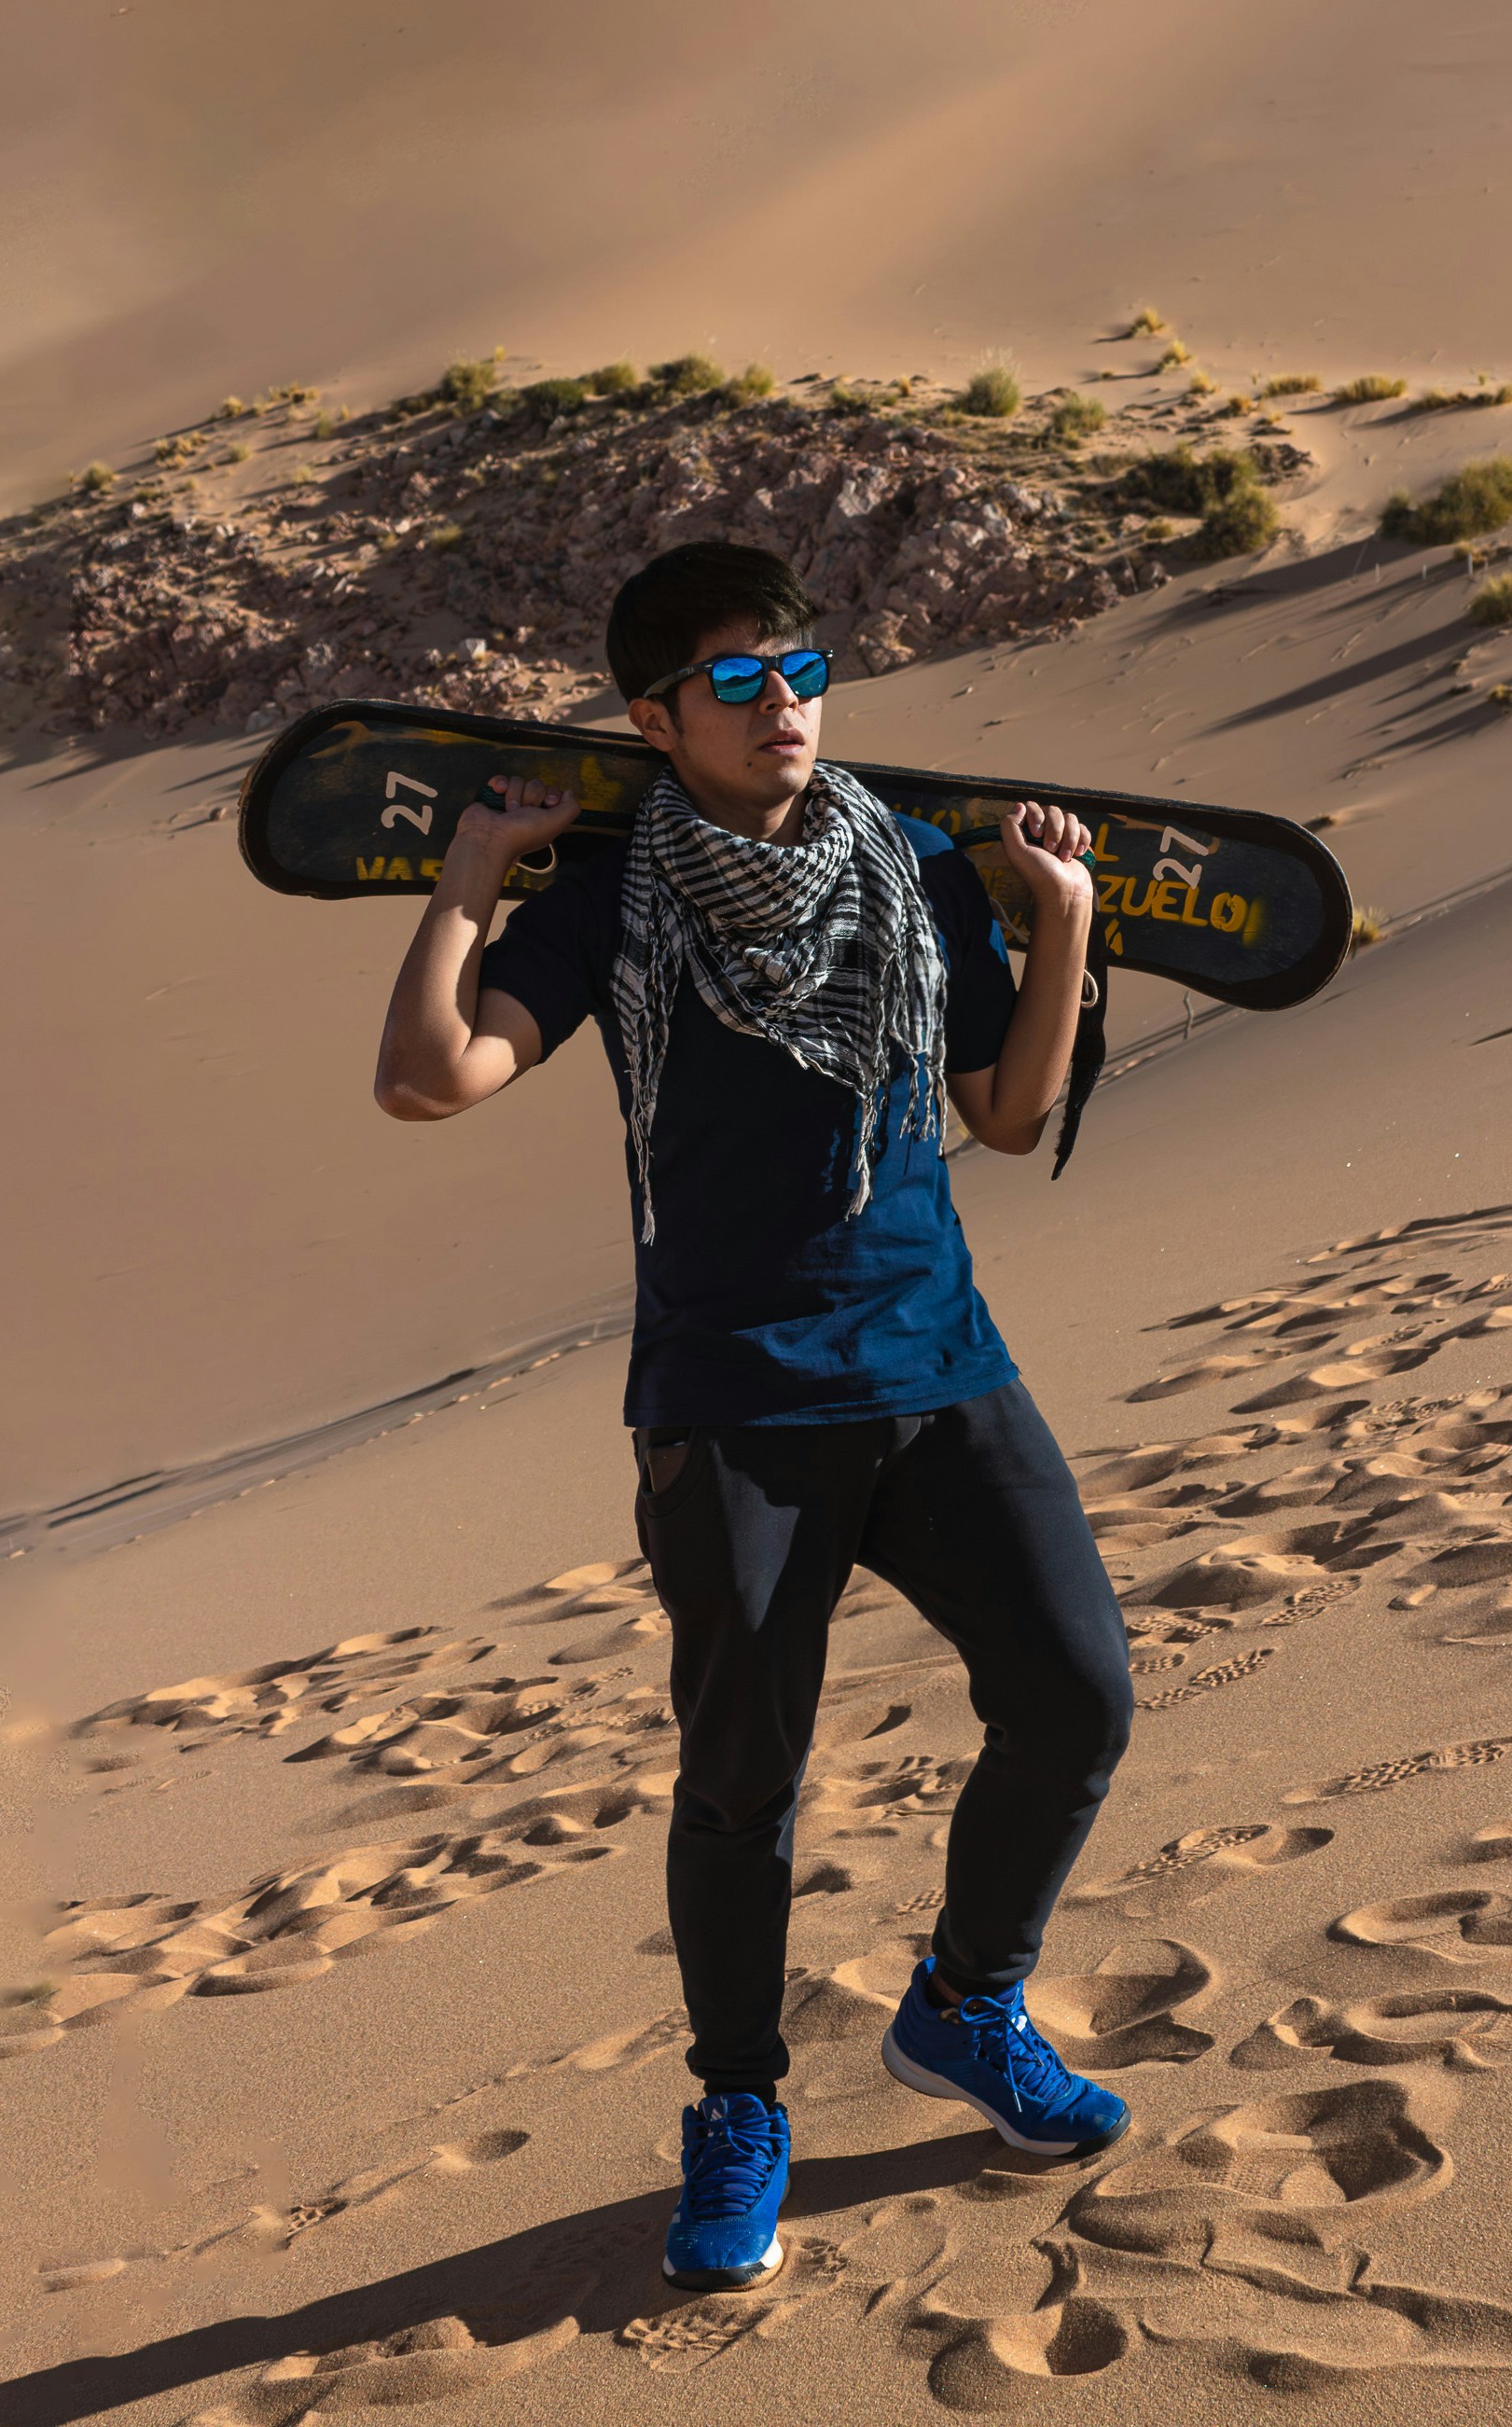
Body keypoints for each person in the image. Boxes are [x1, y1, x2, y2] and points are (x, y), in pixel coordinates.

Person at [373, 540, 1134, 2295]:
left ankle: (964, 2007)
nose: (783, 701)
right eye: (735, 679)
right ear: (656, 718)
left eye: (800, 666)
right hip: (732, 1402)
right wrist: (471, 883)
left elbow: (1007, 1121)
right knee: (746, 1786)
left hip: (939, 1366)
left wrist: (1064, 921)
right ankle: (737, 2109)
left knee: (1076, 1693)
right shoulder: (613, 895)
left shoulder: (911, 867)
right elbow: (427, 1080)